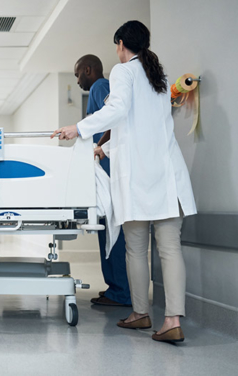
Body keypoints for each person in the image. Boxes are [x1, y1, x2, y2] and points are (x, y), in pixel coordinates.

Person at [53, 20, 197, 343]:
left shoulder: (124, 71)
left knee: (135, 249)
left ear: (121, 44)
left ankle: (140, 313)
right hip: (167, 173)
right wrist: (103, 147)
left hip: (138, 178)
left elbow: (118, 111)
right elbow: (139, 124)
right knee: (170, 249)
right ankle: (172, 319)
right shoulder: (156, 74)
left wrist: (79, 128)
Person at [74, 54, 132, 308]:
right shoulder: (98, 90)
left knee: (112, 230)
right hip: (103, 165)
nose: (77, 81)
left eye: (78, 74)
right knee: (106, 229)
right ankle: (114, 288)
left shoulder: (100, 87)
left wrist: (99, 145)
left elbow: (114, 117)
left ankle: (121, 291)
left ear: (88, 69)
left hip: (108, 167)